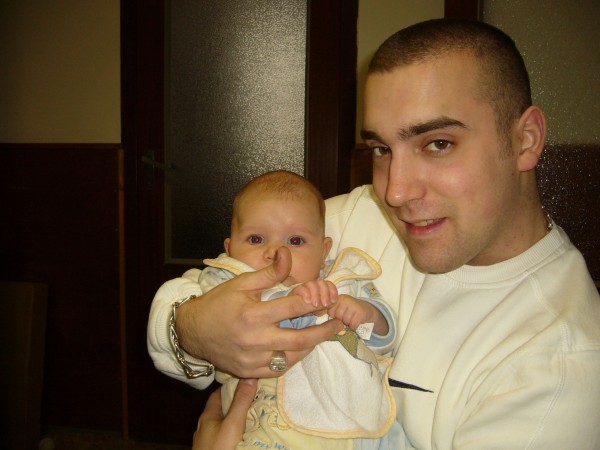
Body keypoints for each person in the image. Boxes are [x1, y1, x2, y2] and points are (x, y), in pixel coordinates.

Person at [148, 18, 600, 449]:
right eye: (382, 149)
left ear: (525, 139)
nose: (395, 191)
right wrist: (193, 330)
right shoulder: (361, 214)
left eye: (437, 143)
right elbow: (200, 290)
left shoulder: (559, 366)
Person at [160, 169, 398, 448]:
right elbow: (182, 308)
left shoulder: (343, 282)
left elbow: (382, 340)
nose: (276, 253)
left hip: (342, 426)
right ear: (230, 248)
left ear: (323, 251)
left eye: (295, 241)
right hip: (258, 422)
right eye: (256, 239)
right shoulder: (226, 285)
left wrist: (365, 314)